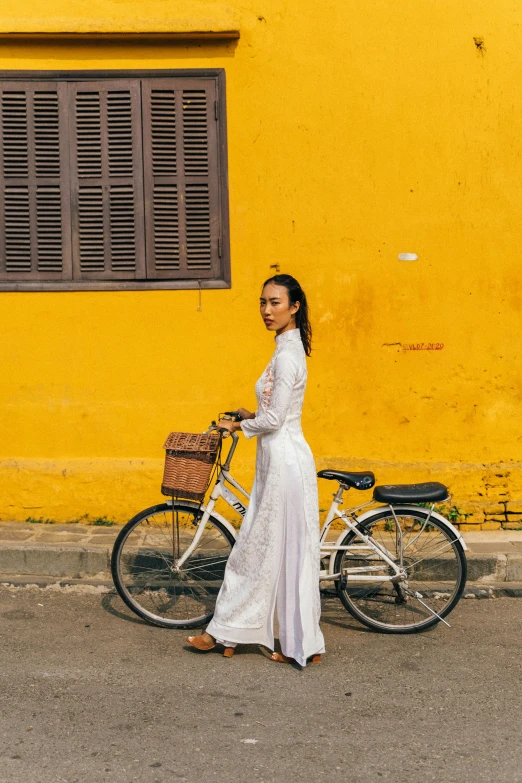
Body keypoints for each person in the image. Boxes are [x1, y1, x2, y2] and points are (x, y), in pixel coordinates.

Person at [186, 274, 325, 666]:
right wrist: (252, 414)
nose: (266, 310)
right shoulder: (286, 349)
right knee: (274, 550)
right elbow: (274, 410)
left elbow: (277, 419)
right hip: (278, 458)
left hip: (284, 461)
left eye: (275, 303)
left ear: (294, 307)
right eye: (263, 302)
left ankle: (227, 632)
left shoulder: (286, 354)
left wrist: (238, 426)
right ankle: (293, 642)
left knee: (255, 549)